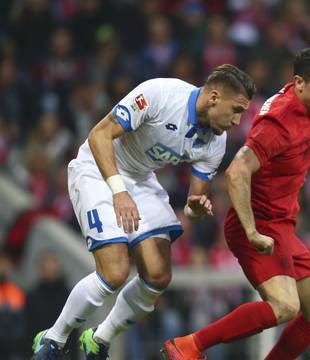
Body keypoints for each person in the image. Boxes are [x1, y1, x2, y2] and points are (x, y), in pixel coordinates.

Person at [162, 47, 310, 360]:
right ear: (299, 83)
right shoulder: (278, 123)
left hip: (283, 225)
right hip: (258, 225)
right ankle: (188, 346)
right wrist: (252, 231)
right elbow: (236, 171)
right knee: (285, 306)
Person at [32, 64, 256, 360]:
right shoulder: (159, 94)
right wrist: (119, 191)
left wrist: (196, 209)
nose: (238, 121)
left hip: (139, 179)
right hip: (98, 169)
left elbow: (194, 202)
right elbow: (100, 135)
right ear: (214, 97)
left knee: (158, 274)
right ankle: (53, 339)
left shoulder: (216, 142)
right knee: (114, 272)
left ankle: (98, 339)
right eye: (236, 110)